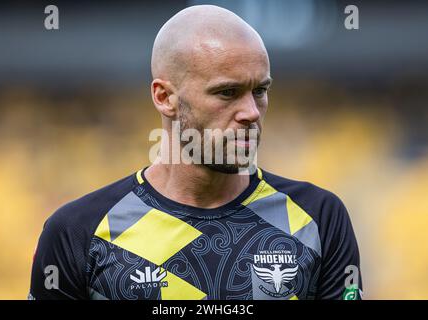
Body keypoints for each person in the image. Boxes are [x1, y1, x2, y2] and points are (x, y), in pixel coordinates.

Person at [29, 5, 362, 300]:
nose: (252, 112)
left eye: (259, 91)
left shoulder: (319, 218)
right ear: (165, 98)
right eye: (227, 92)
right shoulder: (77, 231)